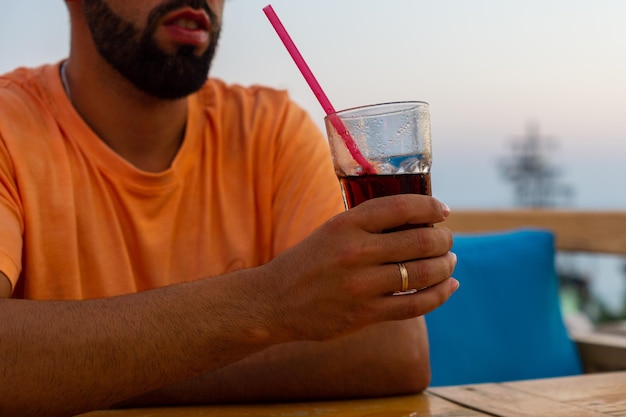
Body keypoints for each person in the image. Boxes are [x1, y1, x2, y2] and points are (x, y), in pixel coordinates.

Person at [0, 1, 458, 416]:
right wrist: (271, 304)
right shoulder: (9, 127)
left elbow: (393, 348)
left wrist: (73, 373)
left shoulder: (271, 130)